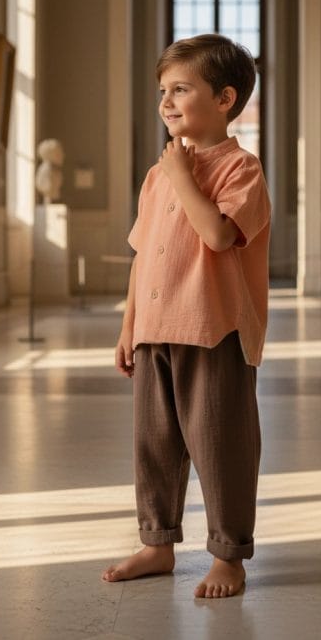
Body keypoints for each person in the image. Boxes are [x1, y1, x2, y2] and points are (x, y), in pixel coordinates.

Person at [102, 34, 271, 599]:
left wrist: (182, 177)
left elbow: (220, 236)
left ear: (224, 99)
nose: (167, 102)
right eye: (162, 91)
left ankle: (229, 554)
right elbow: (142, 257)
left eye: (181, 89)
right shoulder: (157, 176)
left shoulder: (241, 169)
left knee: (222, 445)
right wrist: (129, 329)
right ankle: (157, 542)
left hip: (212, 328)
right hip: (155, 331)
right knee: (155, 444)